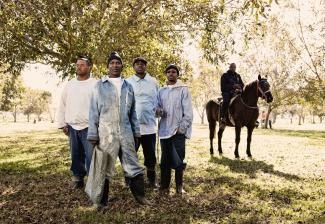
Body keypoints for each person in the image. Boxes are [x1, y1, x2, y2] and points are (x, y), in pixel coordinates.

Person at [85, 52, 149, 209]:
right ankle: (101, 201)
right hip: (106, 134)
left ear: (122, 66)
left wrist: (136, 132)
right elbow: (93, 111)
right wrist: (93, 134)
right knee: (103, 167)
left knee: (133, 165)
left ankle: (141, 197)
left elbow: (133, 112)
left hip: (126, 132)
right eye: (112, 63)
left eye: (117, 63)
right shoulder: (99, 86)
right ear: (107, 66)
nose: (115, 65)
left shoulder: (128, 86)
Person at [57, 56, 97, 189]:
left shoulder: (95, 84)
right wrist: (63, 123)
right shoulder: (70, 84)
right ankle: (78, 179)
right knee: (76, 155)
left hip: (89, 127)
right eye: (77, 65)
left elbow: (100, 106)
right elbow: (63, 104)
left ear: (89, 67)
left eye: (82, 65)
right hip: (72, 127)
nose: (78, 67)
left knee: (91, 156)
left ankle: (93, 182)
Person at [156, 64, 193, 194]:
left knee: (178, 158)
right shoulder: (161, 91)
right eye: (169, 72)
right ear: (166, 74)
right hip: (165, 130)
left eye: (174, 72)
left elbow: (188, 112)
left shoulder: (183, 89)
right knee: (165, 160)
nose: (171, 74)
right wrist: (158, 111)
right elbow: (157, 108)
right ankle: (164, 186)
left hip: (178, 130)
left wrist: (182, 128)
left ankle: (179, 186)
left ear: (177, 75)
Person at [126, 57, 159, 188]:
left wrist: (158, 109)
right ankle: (129, 180)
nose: (140, 66)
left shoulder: (153, 81)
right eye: (137, 64)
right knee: (130, 154)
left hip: (149, 125)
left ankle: (152, 179)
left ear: (145, 66)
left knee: (150, 155)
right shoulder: (128, 82)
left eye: (142, 64)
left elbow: (158, 100)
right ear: (133, 67)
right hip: (133, 127)